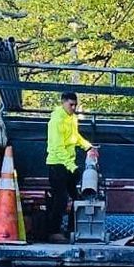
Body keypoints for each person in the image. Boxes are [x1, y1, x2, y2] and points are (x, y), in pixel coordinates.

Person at [45, 91, 93, 240]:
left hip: (67, 164)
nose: (73, 108)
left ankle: (73, 230)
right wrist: (72, 167)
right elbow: (58, 148)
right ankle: (53, 232)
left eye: (75, 105)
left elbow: (75, 137)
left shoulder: (72, 118)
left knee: (76, 198)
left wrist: (88, 147)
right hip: (57, 164)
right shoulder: (56, 121)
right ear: (63, 102)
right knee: (61, 199)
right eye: (71, 104)